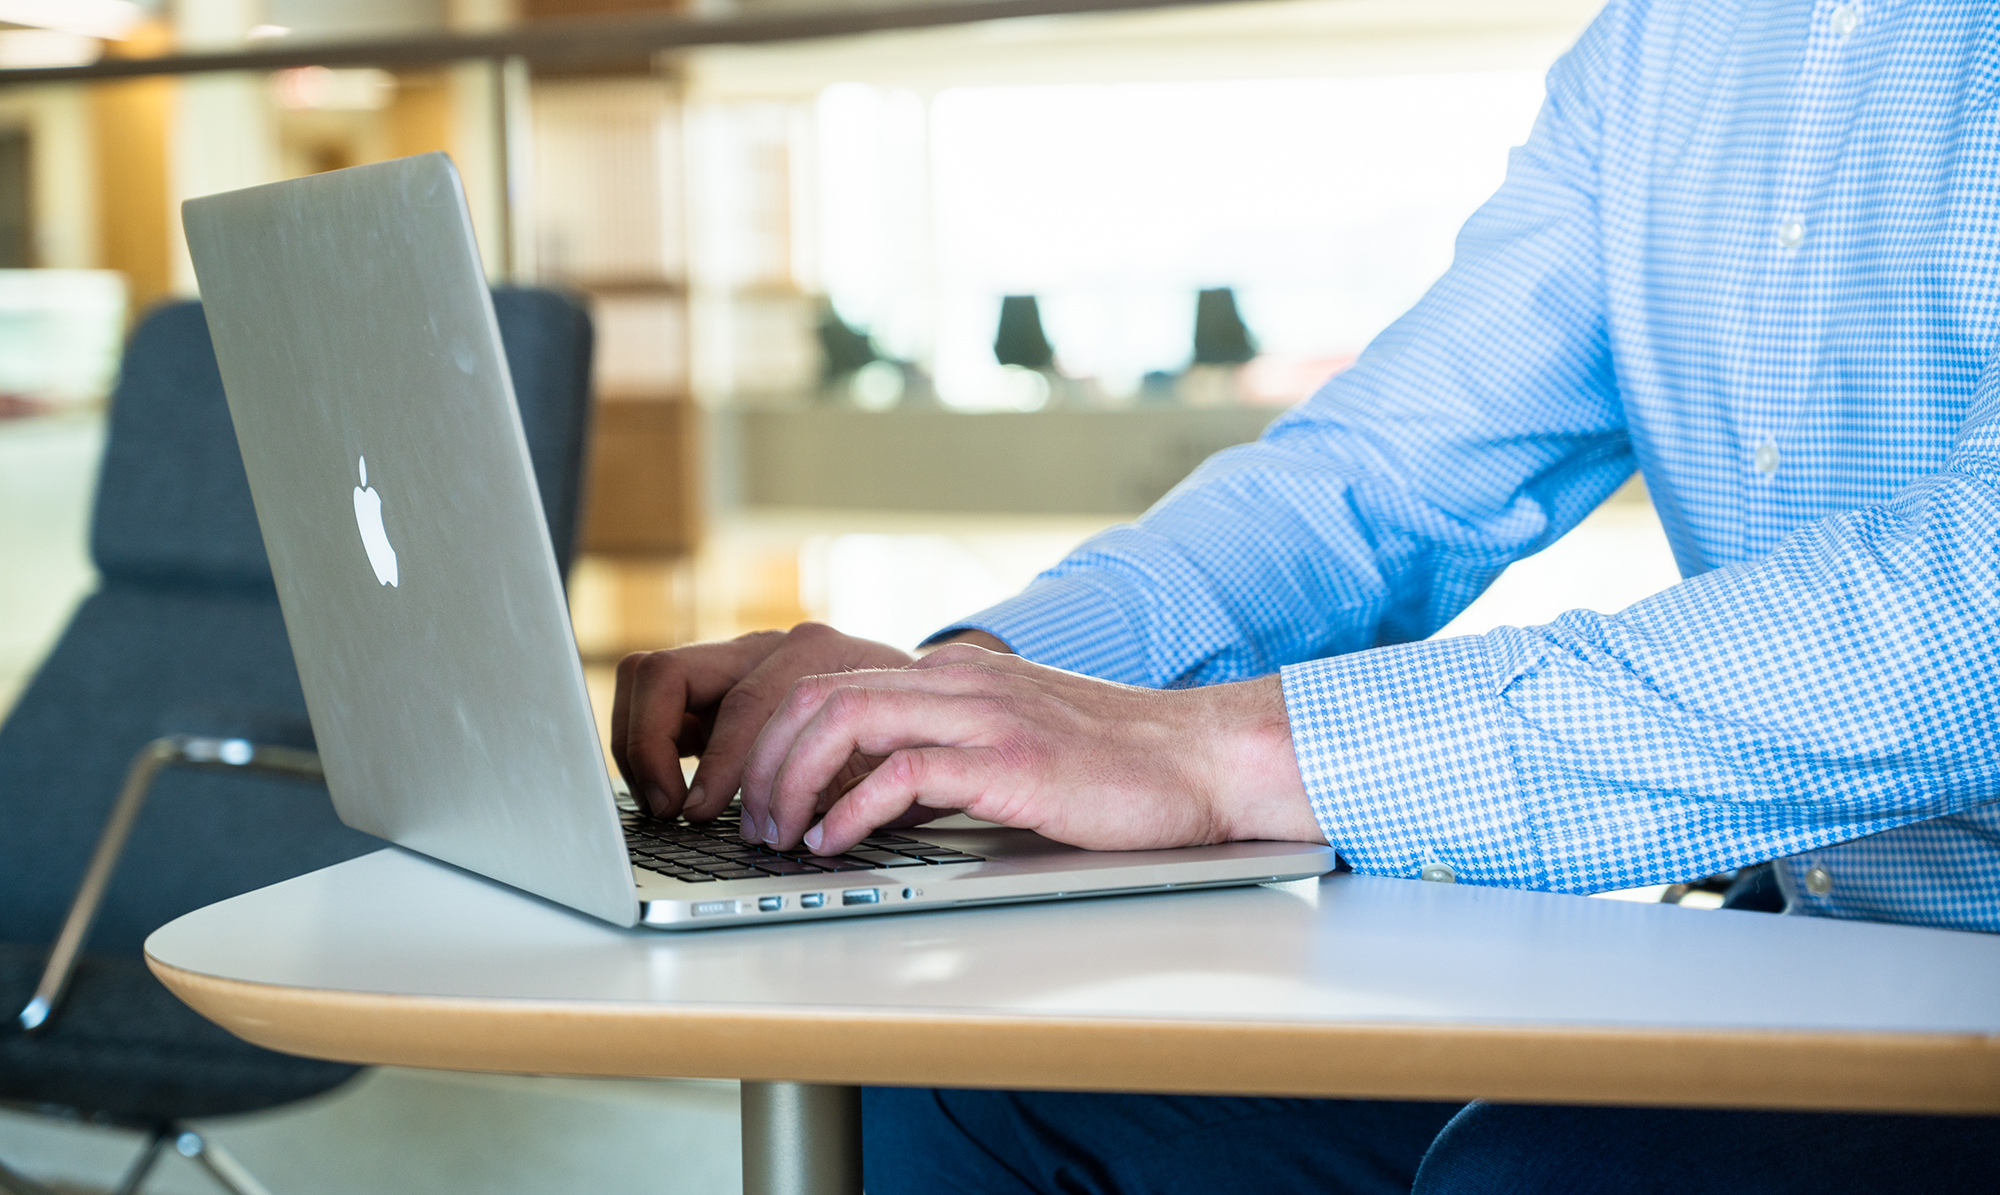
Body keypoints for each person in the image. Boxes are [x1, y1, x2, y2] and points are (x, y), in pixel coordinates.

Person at [612, 0, 2000, 1188]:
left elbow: (1971, 621)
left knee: (1552, 1171)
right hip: (1818, 947)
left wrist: (1228, 755)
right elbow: (1385, 477)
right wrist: (955, 690)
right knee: (973, 1077)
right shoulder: (1676, 39)